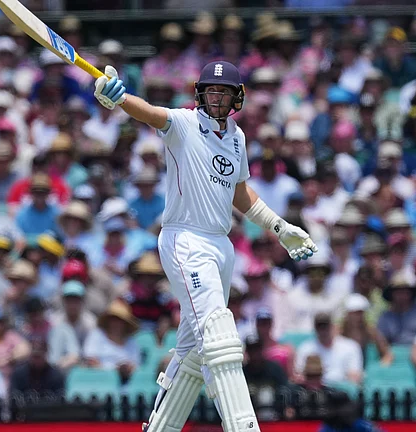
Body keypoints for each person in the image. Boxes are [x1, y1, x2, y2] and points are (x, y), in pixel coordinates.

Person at [94, 59, 318, 432]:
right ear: (200, 94)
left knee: (195, 352)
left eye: (223, 92)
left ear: (236, 97)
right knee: (218, 333)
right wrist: (119, 98)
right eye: (211, 91)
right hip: (185, 238)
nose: (216, 97)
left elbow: (240, 192)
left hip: (221, 245)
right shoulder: (183, 124)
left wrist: (279, 227)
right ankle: (243, 427)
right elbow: (149, 113)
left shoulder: (237, 137)